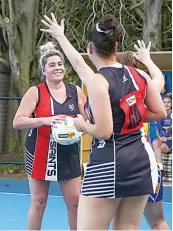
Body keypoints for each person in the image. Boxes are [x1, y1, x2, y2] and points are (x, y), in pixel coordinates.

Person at [41, 13, 166, 230]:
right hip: (140, 162)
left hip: (109, 162)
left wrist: (81, 124)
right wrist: (126, 113)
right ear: (116, 45)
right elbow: (159, 112)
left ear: (90, 48)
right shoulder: (139, 76)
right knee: (127, 227)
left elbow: (104, 131)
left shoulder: (99, 81)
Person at [13, 42, 87, 230]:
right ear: (43, 69)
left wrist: (77, 128)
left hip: (68, 153)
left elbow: (87, 121)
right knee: (39, 202)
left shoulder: (75, 91)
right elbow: (18, 121)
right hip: (40, 152)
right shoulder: (35, 92)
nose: (58, 68)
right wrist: (44, 120)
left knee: (76, 202)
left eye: (60, 64)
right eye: (52, 65)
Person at [115, 47, 170, 230]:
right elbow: (160, 78)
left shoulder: (108, 90)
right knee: (157, 221)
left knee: (123, 223)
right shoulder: (143, 89)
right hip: (146, 162)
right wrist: (147, 60)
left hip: (121, 162)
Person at [152, 93, 172, 167]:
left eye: (168, 102)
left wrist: (168, 138)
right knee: (154, 143)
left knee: (161, 147)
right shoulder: (160, 115)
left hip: (171, 139)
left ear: (172, 104)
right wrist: (160, 137)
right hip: (163, 138)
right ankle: (160, 167)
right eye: (164, 102)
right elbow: (158, 131)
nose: (166, 104)